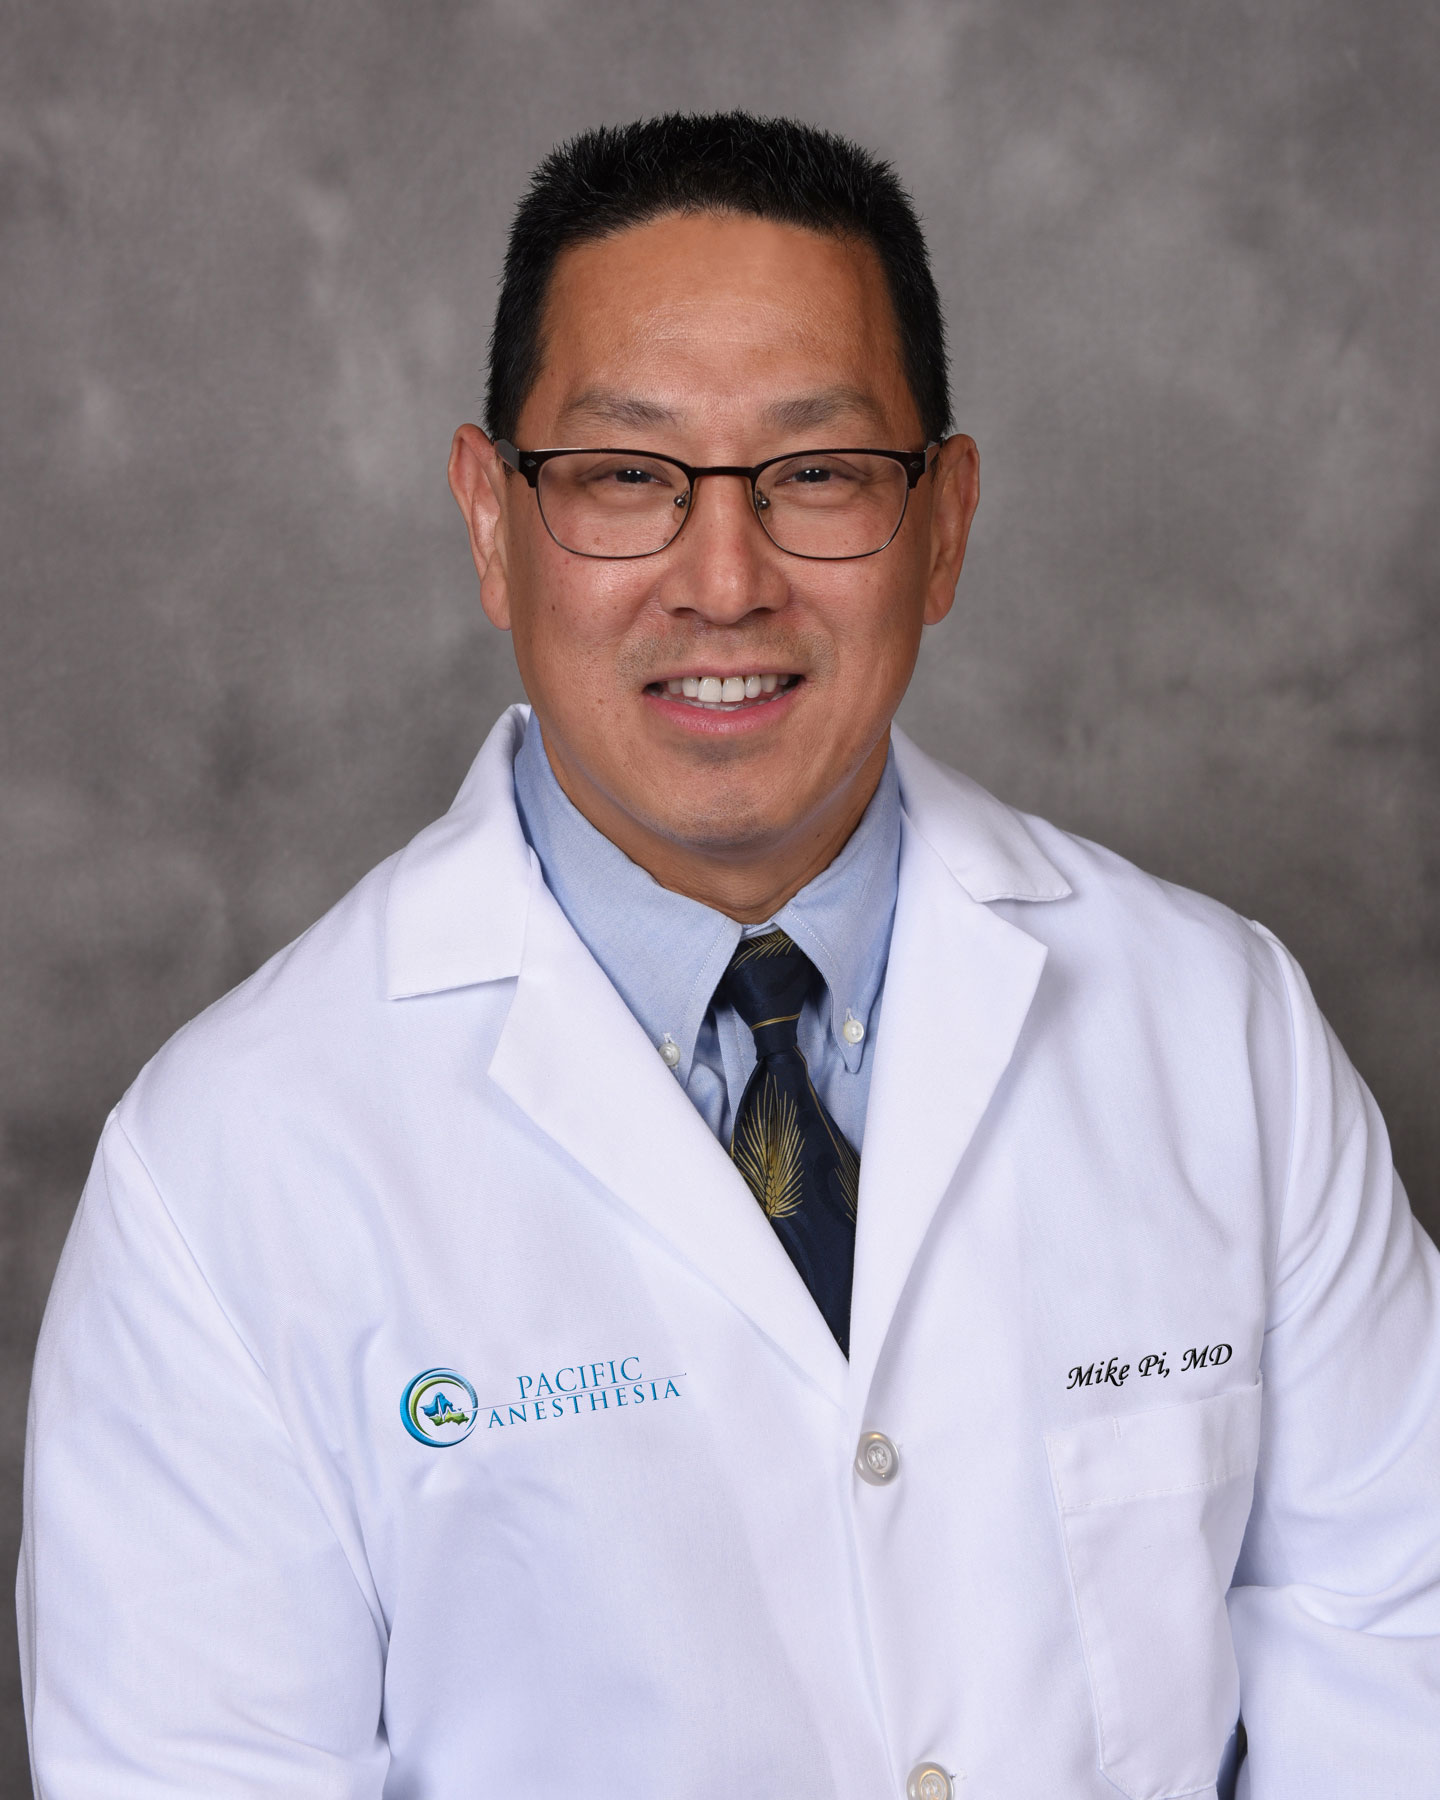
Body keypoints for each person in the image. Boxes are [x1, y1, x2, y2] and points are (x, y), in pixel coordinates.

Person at [17, 111, 1439, 1800]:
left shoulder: (1221, 1033)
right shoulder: (228, 1167)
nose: (723, 581)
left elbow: (1397, 1661)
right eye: (625, 476)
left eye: (817, 475)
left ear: (944, 522)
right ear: (490, 520)